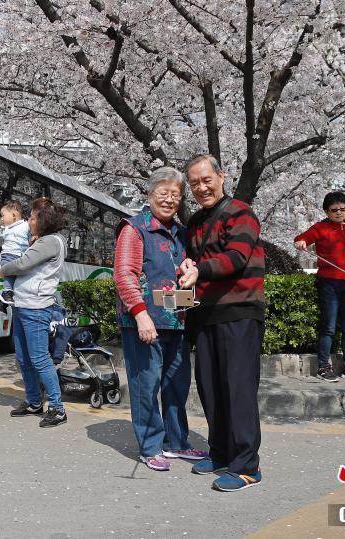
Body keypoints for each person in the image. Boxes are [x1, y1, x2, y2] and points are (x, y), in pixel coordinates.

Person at [180, 154, 265, 492]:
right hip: (206, 314)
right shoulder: (196, 223)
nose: (202, 188)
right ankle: (220, 452)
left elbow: (237, 257)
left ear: (221, 176)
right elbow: (192, 267)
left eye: (206, 180)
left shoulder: (240, 212)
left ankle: (247, 466)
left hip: (240, 312)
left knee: (239, 389)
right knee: (211, 389)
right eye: (195, 183)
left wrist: (200, 268)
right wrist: (188, 269)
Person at [113, 167, 206, 471]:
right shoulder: (134, 228)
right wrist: (141, 317)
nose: (169, 200)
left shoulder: (179, 232)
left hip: (176, 320)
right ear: (150, 195)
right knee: (146, 385)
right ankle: (150, 446)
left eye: (175, 195)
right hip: (144, 321)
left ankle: (176, 442)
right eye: (163, 194)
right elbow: (125, 275)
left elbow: (180, 266)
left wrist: (188, 267)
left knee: (176, 384)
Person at [0, 197, 69, 428]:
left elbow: (21, 264)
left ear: (43, 220)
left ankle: (57, 409)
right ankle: (33, 401)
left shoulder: (50, 241)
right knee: (23, 358)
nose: (28, 221)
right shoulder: (43, 240)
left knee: (39, 359)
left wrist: (3, 270)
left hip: (37, 307)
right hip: (23, 304)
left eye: (31, 217)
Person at [293, 191, 345, 383]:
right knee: (328, 327)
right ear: (326, 211)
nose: (339, 212)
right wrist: (301, 242)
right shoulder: (320, 228)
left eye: (343, 209)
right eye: (334, 210)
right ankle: (323, 367)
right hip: (329, 283)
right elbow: (301, 238)